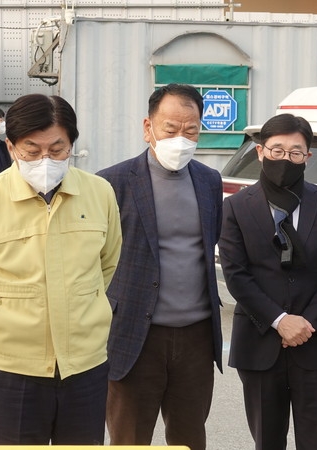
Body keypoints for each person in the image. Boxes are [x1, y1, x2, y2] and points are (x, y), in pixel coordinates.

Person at [0, 94, 122, 445]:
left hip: (85, 366)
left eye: (57, 150)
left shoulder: (100, 194)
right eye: (32, 150)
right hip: (12, 370)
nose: (45, 160)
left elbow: (107, 263)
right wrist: (2, 322)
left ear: (71, 145)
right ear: (10, 146)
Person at [96, 83, 223, 450]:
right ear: (147, 127)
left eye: (191, 131)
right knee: (129, 440)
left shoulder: (209, 181)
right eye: (170, 129)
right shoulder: (112, 182)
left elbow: (208, 243)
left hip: (197, 336)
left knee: (189, 438)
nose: (180, 139)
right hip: (135, 334)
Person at [219, 113, 317, 450]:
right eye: (277, 150)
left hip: (315, 341)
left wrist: (307, 323)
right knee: (267, 440)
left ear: (307, 157)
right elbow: (236, 274)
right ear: (261, 151)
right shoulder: (236, 207)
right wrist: (280, 320)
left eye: (295, 152)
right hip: (260, 341)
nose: (285, 159)